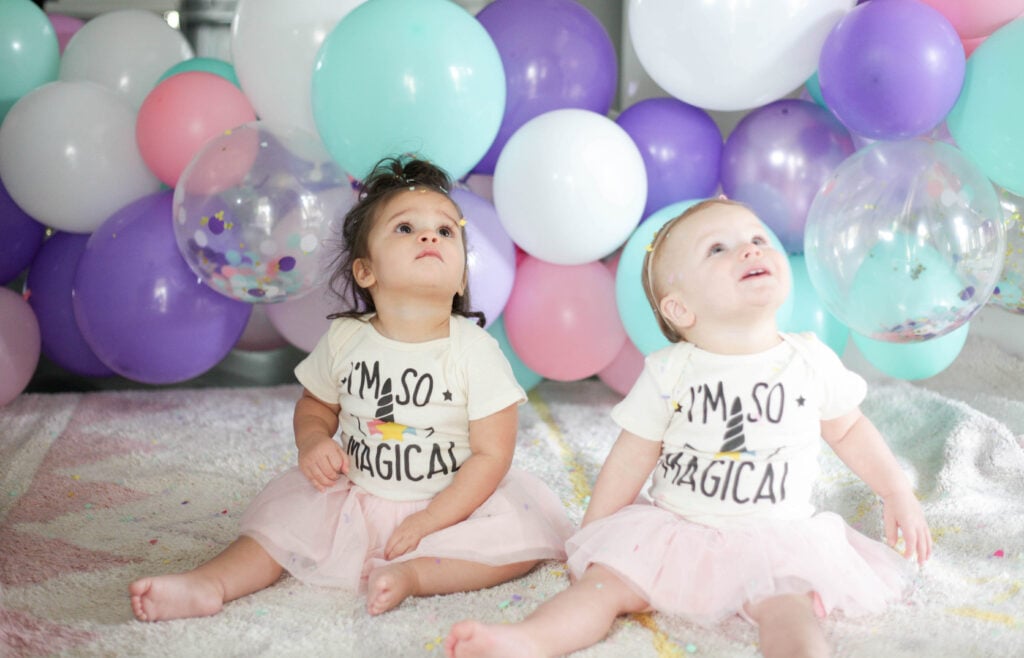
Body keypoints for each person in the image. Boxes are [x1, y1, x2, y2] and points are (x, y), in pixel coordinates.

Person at [445, 198, 932, 658]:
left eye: (758, 238)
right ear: (680, 309)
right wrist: (595, 533)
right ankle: (529, 640)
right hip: (676, 531)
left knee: (788, 605)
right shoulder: (671, 370)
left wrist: (896, 492)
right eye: (717, 248)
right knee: (604, 583)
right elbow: (633, 452)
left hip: (776, 537)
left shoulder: (808, 359)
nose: (751, 248)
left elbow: (849, 431)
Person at [130, 156, 573, 622]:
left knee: (511, 546)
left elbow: (492, 455)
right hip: (358, 497)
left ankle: (415, 575)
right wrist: (314, 441)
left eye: (445, 232)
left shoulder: (474, 351)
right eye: (405, 229)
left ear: (462, 276)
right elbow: (316, 404)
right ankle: (210, 583)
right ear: (365, 272)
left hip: (454, 502)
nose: (429, 236)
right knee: (276, 530)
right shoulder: (346, 339)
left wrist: (431, 520)